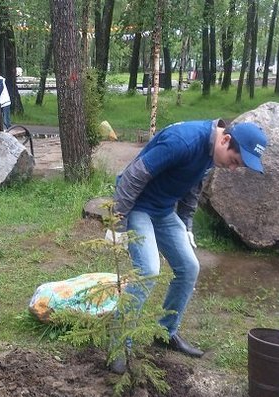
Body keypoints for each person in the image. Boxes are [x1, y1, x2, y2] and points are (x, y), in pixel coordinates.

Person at [109, 119, 268, 373]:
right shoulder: (183, 141)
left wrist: (185, 226)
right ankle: (119, 344)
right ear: (226, 140)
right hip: (137, 206)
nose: (233, 168)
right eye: (235, 161)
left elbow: (193, 188)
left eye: (238, 165)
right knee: (148, 270)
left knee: (189, 267)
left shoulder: (211, 153)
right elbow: (133, 176)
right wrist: (117, 224)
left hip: (162, 211)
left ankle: (165, 333)